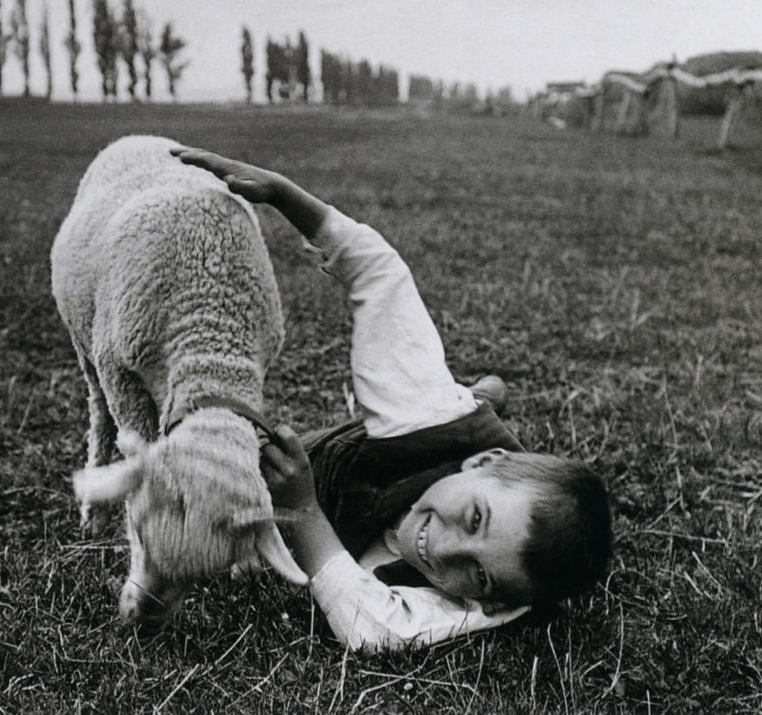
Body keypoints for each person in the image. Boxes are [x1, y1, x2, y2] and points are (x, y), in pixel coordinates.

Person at [170, 145, 612, 653]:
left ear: (497, 602)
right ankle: (479, 400)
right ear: (484, 462)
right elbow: (382, 277)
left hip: (361, 481)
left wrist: (304, 510)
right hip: (377, 446)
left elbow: (372, 631)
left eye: (479, 575)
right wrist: (283, 194)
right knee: (238, 471)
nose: (444, 550)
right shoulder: (425, 418)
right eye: (474, 518)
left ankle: (481, 399)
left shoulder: (489, 605)